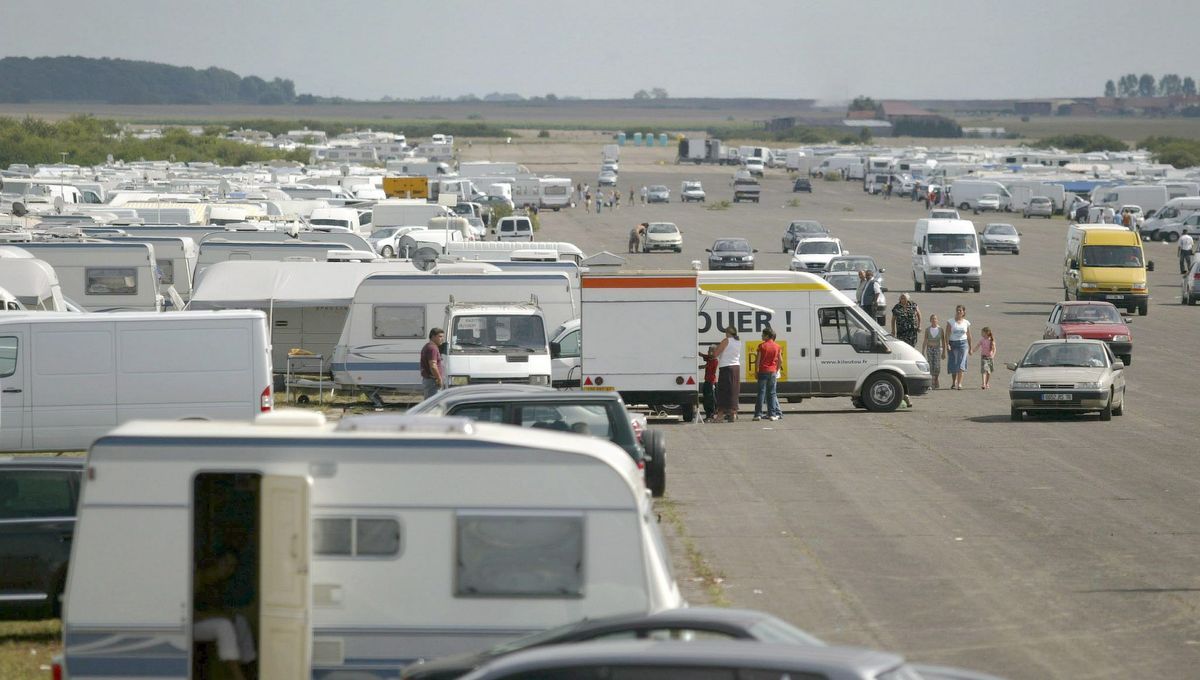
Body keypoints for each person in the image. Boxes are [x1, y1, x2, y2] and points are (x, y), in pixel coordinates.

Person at [193, 550, 256, 680]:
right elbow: (189, 615)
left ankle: (249, 666)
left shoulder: (217, 584)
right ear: (216, 562)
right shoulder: (197, 578)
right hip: (185, 626)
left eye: (233, 567)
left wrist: (225, 613)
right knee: (224, 625)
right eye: (226, 564)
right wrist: (219, 615)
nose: (230, 570)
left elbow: (217, 609)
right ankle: (238, 676)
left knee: (240, 621)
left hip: (203, 623)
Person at [711, 326, 742, 423]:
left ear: (728, 332)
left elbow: (716, 353)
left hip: (726, 367)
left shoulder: (726, 340)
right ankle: (733, 413)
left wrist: (713, 351)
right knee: (733, 391)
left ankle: (720, 415)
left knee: (723, 391)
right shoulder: (738, 341)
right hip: (736, 367)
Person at [752, 327, 783, 421]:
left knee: (761, 393)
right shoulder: (777, 346)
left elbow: (757, 360)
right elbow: (780, 360)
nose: (761, 336)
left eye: (763, 335)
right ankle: (772, 414)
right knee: (772, 393)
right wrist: (776, 369)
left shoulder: (762, 346)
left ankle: (758, 414)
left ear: (767, 336)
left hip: (763, 371)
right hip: (772, 371)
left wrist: (756, 371)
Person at [945, 305, 973, 390]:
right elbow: (947, 334)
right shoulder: (951, 322)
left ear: (964, 312)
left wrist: (970, 347)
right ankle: (954, 382)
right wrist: (947, 344)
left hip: (963, 344)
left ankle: (959, 383)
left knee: (961, 363)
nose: (959, 312)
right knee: (953, 363)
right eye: (957, 310)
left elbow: (969, 335)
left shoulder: (966, 322)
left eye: (960, 311)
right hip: (953, 343)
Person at [922, 313, 945, 389]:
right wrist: (923, 351)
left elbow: (943, 341)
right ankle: (932, 382)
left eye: (935, 319)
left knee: (937, 365)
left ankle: (936, 378)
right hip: (929, 348)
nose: (934, 320)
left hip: (937, 348)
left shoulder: (940, 329)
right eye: (932, 319)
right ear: (930, 320)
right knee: (930, 364)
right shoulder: (928, 329)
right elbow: (925, 340)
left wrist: (944, 351)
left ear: (937, 320)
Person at [420, 328, 445, 399]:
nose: (442, 339)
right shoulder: (432, 348)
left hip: (429, 381)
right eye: (440, 336)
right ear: (433, 337)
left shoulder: (427, 346)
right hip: (432, 382)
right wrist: (439, 379)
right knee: (434, 405)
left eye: (443, 337)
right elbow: (433, 366)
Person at [700, 345, 718, 422]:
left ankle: (711, 415)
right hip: (707, 381)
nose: (708, 352)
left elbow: (707, 366)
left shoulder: (714, 360)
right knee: (706, 398)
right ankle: (708, 414)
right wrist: (700, 354)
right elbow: (705, 356)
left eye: (711, 351)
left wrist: (701, 366)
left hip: (711, 382)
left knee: (710, 399)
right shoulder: (710, 358)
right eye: (708, 350)